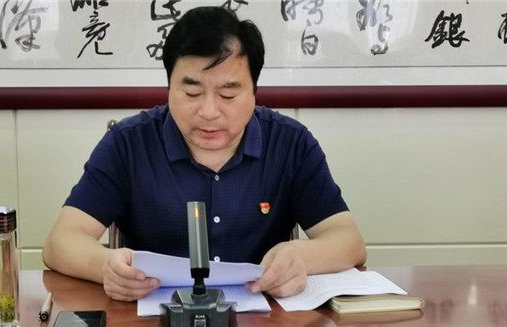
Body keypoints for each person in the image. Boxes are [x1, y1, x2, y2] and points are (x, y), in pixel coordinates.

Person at [42, 6, 366, 302]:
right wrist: (105, 266)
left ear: (254, 91)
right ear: (169, 87)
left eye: (228, 94)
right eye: (192, 92)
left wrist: (301, 257)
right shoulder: (128, 144)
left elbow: (348, 241)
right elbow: (61, 242)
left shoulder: (290, 143)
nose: (209, 111)